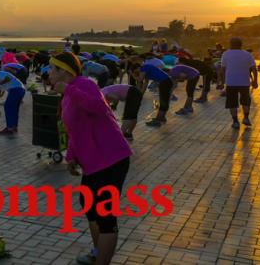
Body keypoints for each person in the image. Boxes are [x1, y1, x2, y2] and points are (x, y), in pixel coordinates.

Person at [47, 52, 132, 265]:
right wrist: (71, 157)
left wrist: (68, 89)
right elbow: (74, 129)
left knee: (105, 217)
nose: (48, 72)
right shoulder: (67, 96)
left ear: (65, 72)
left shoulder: (84, 84)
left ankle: (102, 260)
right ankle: (97, 252)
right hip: (93, 163)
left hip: (111, 159)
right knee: (88, 205)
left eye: (52, 68)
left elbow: (98, 106)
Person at [221, 38, 259, 129]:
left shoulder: (226, 54)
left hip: (231, 82)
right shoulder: (247, 54)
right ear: (241, 45)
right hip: (244, 82)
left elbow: (223, 69)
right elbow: (254, 68)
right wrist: (255, 81)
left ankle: (235, 122)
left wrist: (221, 82)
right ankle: (246, 118)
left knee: (232, 103)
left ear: (231, 44)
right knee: (245, 100)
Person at [135, 62, 173, 127]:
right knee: (164, 100)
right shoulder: (146, 68)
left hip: (165, 82)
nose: (138, 73)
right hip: (166, 81)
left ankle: (158, 120)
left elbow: (140, 79)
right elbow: (145, 83)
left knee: (163, 101)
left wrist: (133, 75)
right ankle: (162, 117)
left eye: (136, 71)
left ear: (137, 68)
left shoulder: (144, 67)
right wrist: (140, 95)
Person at [0, 70, 25, 136]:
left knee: (8, 107)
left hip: (16, 90)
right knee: (14, 109)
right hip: (21, 89)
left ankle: (10, 128)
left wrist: (2, 82)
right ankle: (14, 127)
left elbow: (8, 78)